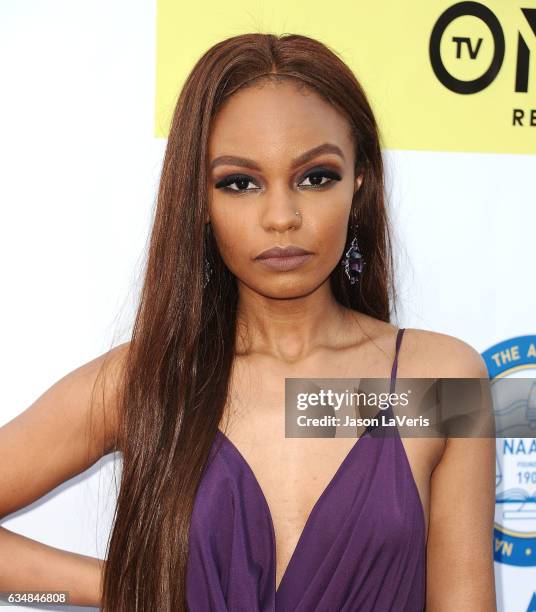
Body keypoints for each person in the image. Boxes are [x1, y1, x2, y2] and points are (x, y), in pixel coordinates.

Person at [0, 32, 496, 611]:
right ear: (200, 202)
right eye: (240, 182)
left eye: (315, 177)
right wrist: (131, 588)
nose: (281, 217)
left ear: (360, 182)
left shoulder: (436, 384)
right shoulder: (150, 380)